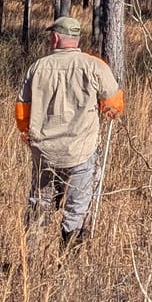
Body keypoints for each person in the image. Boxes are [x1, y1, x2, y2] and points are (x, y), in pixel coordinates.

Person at [16, 15, 123, 254]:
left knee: (39, 206)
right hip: (81, 152)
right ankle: (68, 268)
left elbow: (22, 109)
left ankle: (29, 262)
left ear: (55, 38)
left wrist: (27, 136)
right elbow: (115, 105)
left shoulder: (38, 67)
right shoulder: (94, 65)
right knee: (76, 209)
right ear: (75, 39)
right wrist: (108, 109)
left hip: (44, 153)